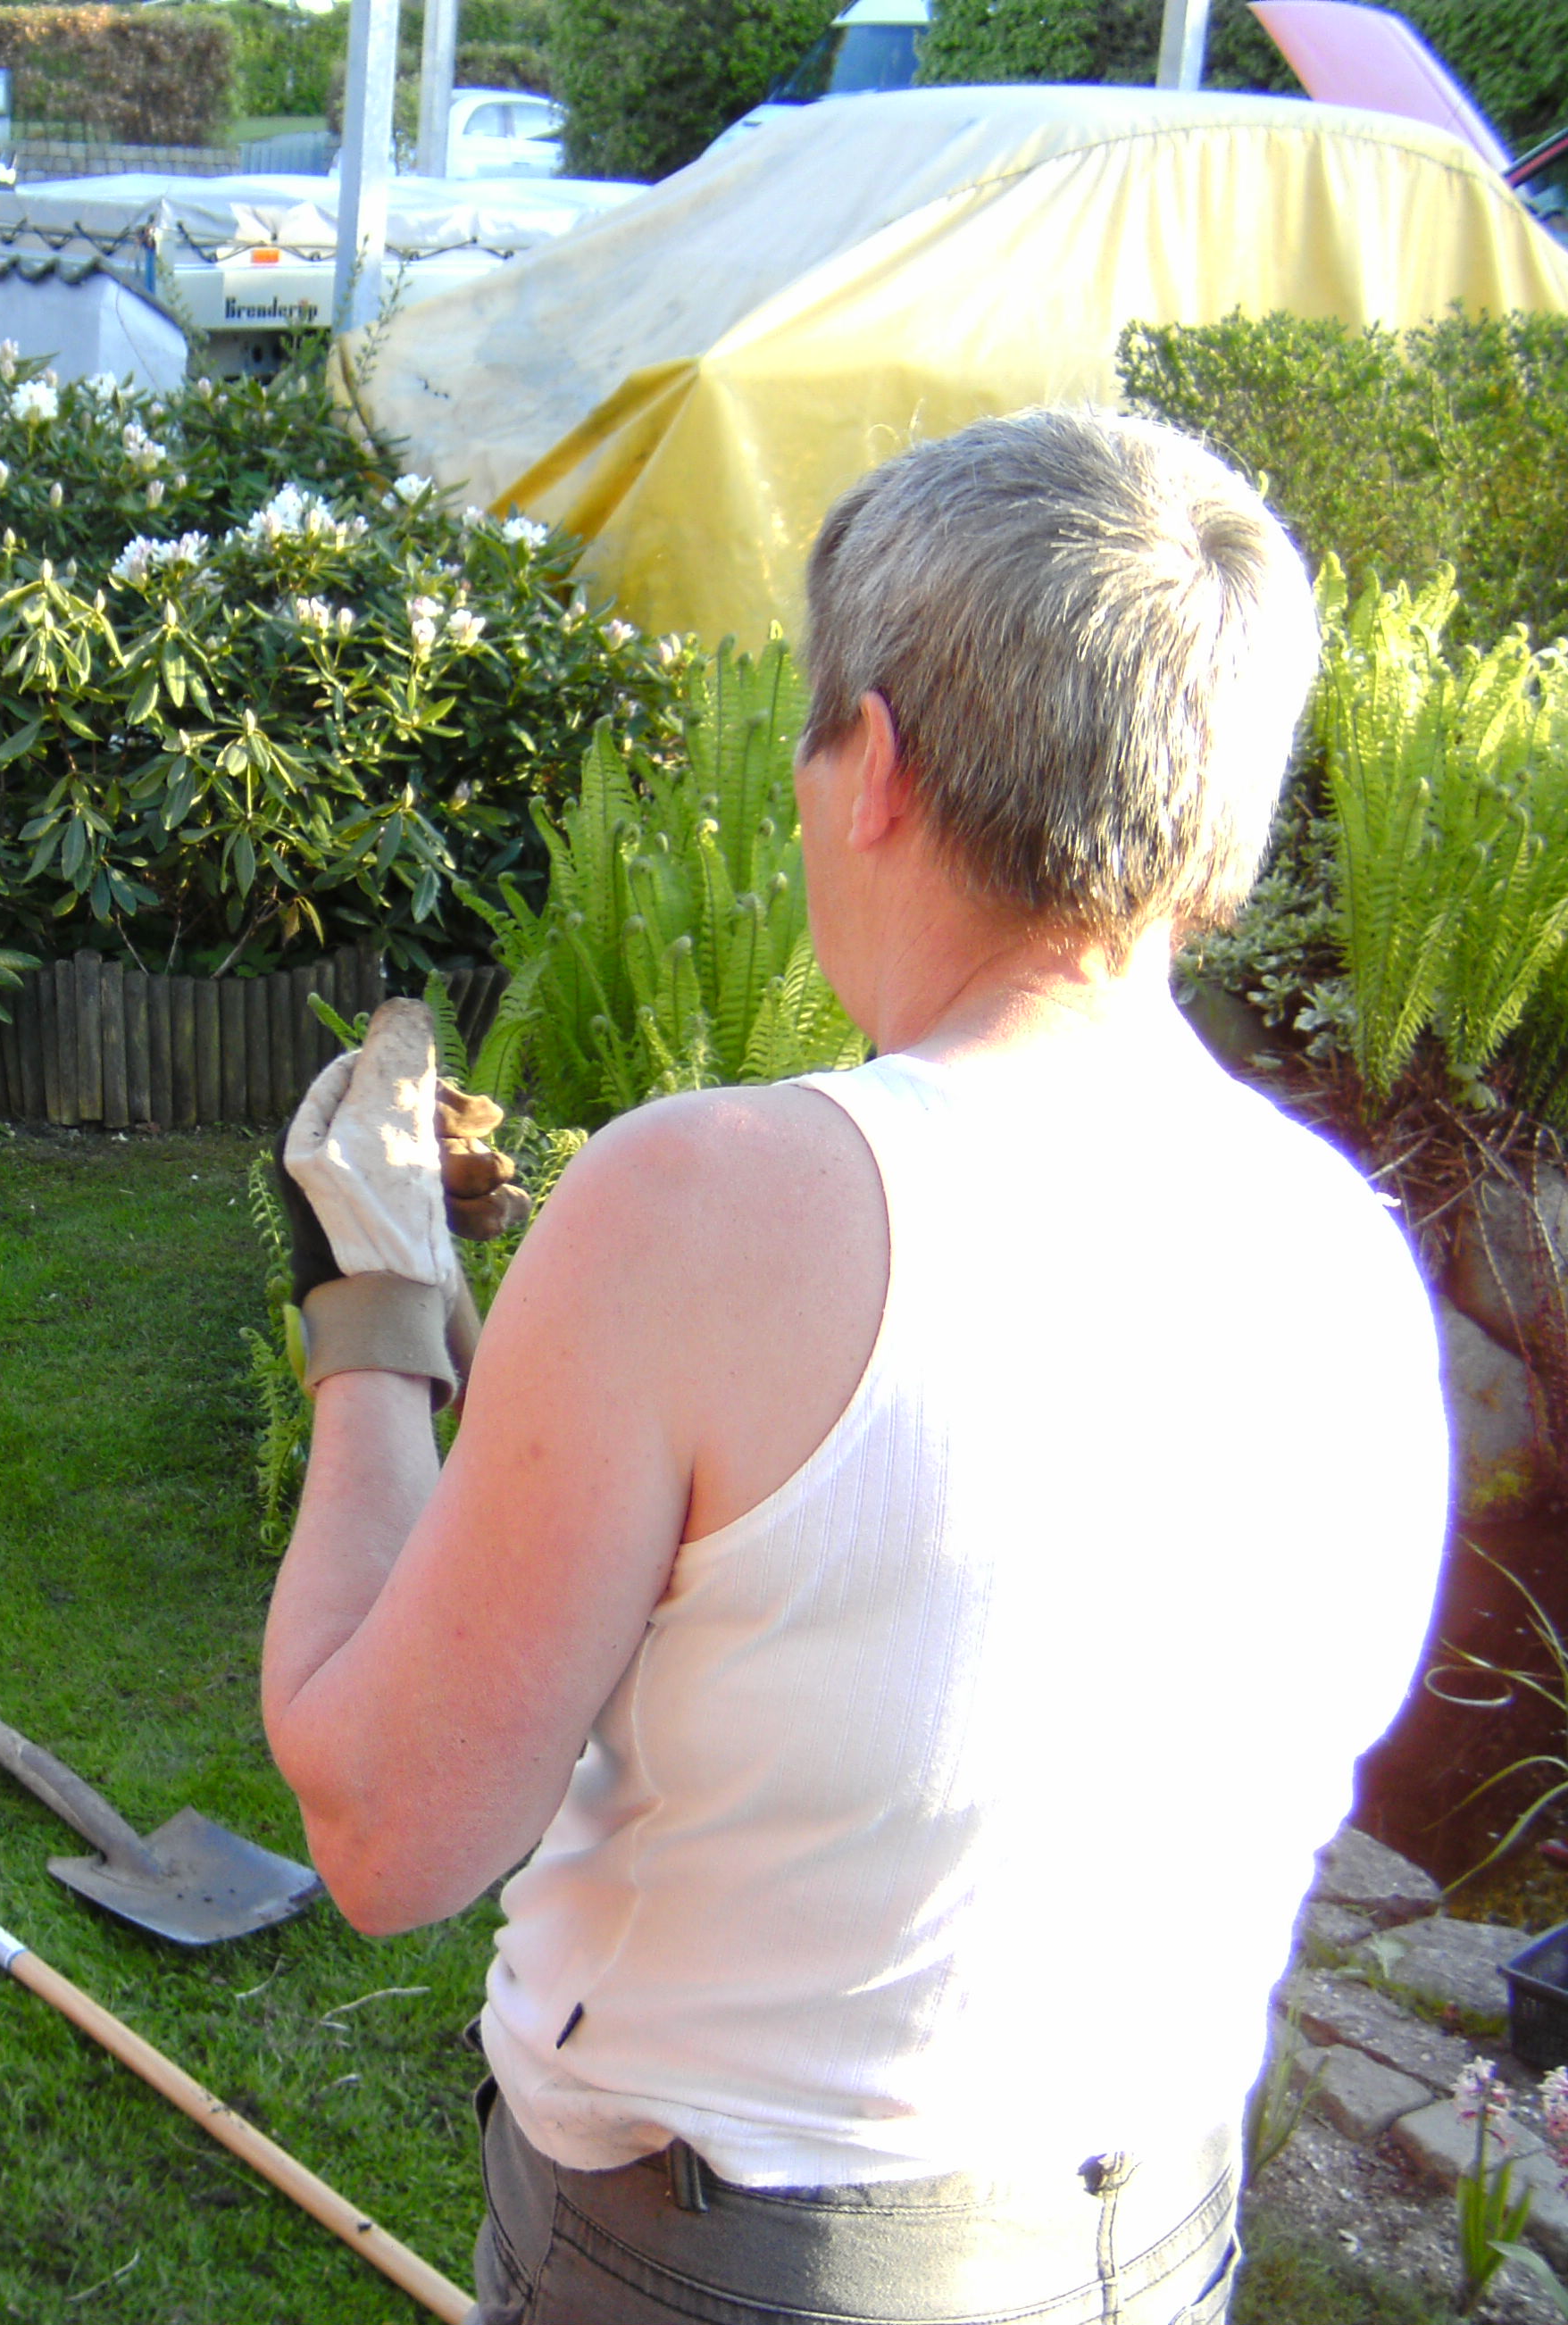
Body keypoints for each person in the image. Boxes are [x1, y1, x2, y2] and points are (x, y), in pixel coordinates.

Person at [263, 408, 1451, 2324]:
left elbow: (386, 1828)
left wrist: (371, 1311)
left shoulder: (703, 1206)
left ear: (875, 765)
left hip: (748, 2263)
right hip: (1146, 2241)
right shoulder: (1345, 1253)